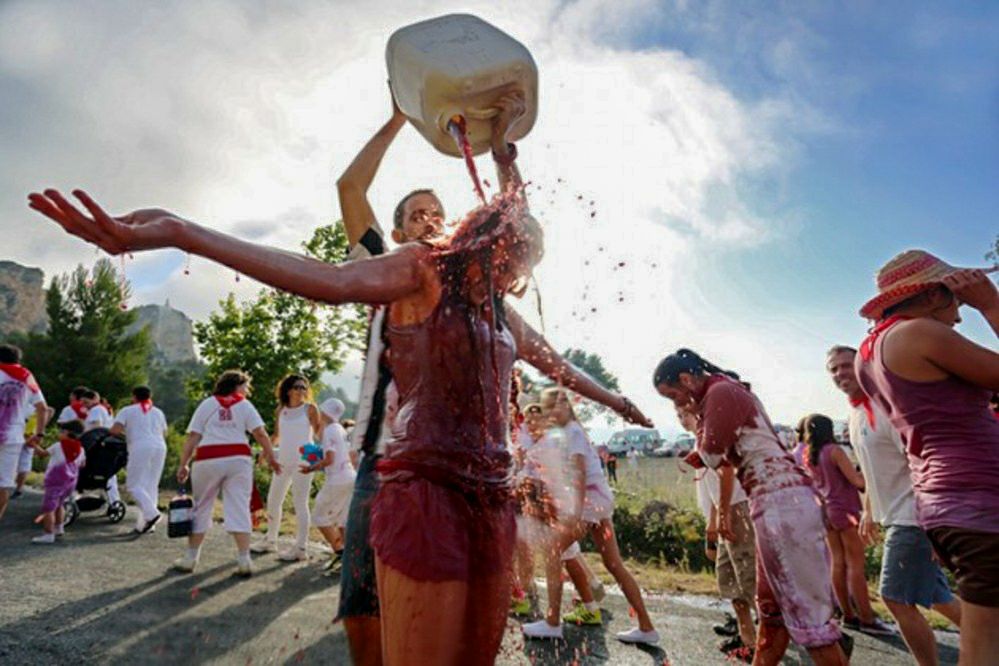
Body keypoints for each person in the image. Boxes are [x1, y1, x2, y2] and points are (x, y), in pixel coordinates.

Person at [29, 90, 651, 664]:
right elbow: (325, 278)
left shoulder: (497, 304)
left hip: (489, 497)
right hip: (412, 480)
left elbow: (553, 359)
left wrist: (502, 151)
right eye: (511, 262)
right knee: (370, 621)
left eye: (524, 267)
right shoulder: (413, 266)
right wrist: (179, 231)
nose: (517, 275)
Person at [653, 349, 847, 666]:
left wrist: (701, 435)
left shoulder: (720, 391)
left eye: (674, 396)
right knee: (771, 611)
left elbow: (713, 453)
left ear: (687, 380)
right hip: (773, 500)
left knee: (809, 622)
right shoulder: (724, 391)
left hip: (782, 503)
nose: (676, 405)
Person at [854, 250, 999, 665]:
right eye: (956, 301)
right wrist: (991, 304)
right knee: (986, 648)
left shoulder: (871, 353)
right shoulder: (919, 334)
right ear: (934, 295)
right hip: (980, 500)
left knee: (984, 637)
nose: (959, 316)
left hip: (945, 503)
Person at [827, 344, 961, 665]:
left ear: (863, 366)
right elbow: (873, 469)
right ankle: (989, 638)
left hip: (915, 517)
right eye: (833, 369)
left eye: (847, 365)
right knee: (938, 597)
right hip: (898, 516)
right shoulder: (856, 413)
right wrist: (870, 511)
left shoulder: (888, 406)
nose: (840, 373)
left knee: (895, 599)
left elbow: (923, 462)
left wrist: (935, 525)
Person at [523, 387, 659, 645]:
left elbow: (579, 473)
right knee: (613, 563)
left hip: (590, 502)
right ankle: (646, 626)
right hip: (599, 501)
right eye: (548, 409)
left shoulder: (573, 432)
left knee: (554, 549)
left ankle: (552, 621)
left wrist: (573, 513)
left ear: (565, 406)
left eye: (554, 407)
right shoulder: (571, 433)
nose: (551, 414)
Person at [175, 370, 281, 576]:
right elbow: (260, 433)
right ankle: (244, 560)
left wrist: (184, 464)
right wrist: (271, 457)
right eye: (246, 386)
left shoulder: (207, 404)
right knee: (239, 506)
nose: (247, 390)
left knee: (202, 506)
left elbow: (193, 436)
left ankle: (191, 558)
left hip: (208, 458)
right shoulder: (245, 405)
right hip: (238, 460)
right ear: (237, 385)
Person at [803, 414, 892, 636]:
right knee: (856, 565)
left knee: (838, 563)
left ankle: (847, 615)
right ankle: (867, 617)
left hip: (826, 511)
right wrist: (868, 472)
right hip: (846, 510)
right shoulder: (835, 451)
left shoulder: (809, 455)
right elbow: (858, 482)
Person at [682, 403, 757, 661]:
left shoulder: (713, 434)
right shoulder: (700, 439)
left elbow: (726, 471)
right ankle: (749, 642)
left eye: (685, 413)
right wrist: (714, 519)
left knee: (751, 581)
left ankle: (813, 636)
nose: (682, 419)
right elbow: (712, 486)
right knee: (730, 581)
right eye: (678, 415)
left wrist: (723, 513)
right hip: (724, 510)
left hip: (737, 508)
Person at [254, 374, 321, 561]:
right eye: (298, 386)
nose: (302, 390)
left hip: (303, 463)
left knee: (301, 503)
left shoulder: (310, 409)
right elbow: (276, 435)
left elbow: (320, 433)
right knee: (273, 500)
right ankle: (270, 540)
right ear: (288, 390)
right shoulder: (281, 410)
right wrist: (264, 452)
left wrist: (324, 456)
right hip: (283, 462)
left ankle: (301, 548)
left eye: (304, 387)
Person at [0, 344, 49, 522]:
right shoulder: (27, 377)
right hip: (13, 437)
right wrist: (40, 434)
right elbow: (43, 408)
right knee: (4, 484)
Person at [111, 386, 168, 534]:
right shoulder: (158, 412)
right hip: (160, 446)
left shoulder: (127, 410)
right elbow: (164, 432)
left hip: (140, 446)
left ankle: (152, 514)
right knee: (151, 485)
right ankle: (145, 524)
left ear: (134, 396)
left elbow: (115, 430)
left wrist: (128, 433)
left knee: (133, 485)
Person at [308, 397, 355, 575]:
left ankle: (340, 552)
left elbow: (329, 459)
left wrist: (311, 467)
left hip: (337, 479)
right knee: (342, 519)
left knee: (319, 516)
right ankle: (349, 559)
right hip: (350, 476)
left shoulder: (329, 431)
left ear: (325, 412)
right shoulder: (340, 429)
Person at [31, 420, 86, 544]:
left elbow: (42, 453)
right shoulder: (81, 449)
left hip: (54, 481)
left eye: (61, 431)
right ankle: (59, 528)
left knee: (48, 508)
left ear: (67, 433)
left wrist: (34, 444)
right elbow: (82, 464)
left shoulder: (58, 446)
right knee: (59, 505)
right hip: (70, 483)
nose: (59, 433)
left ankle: (48, 534)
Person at [13, 406, 55, 499]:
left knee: (23, 464)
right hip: (23, 436)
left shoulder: (30, 405)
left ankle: (18, 489)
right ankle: (17, 489)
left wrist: (40, 431)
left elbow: (50, 410)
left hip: (27, 436)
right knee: (22, 464)